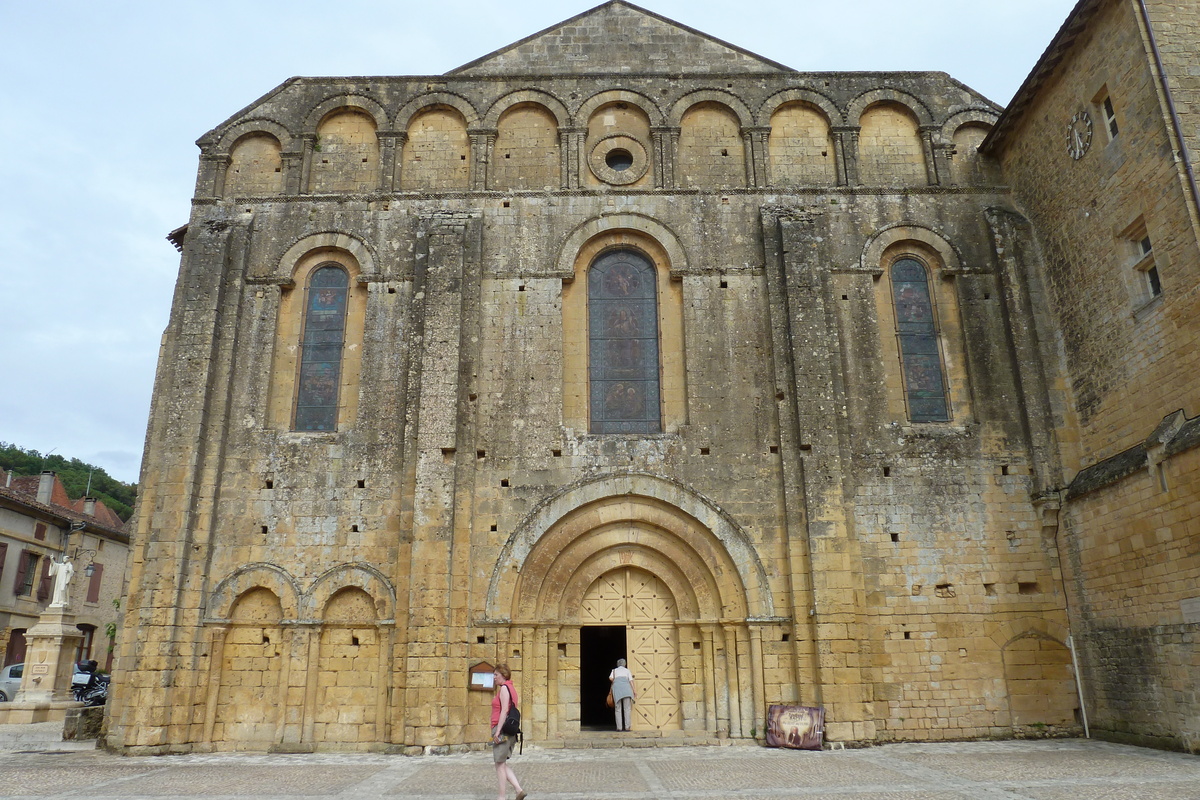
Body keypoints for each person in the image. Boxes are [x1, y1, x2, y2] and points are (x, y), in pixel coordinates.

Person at [490, 664, 526, 800]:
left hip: (502, 729)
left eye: (496, 675)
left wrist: (497, 731)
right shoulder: (511, 688)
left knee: (499, 764)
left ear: (503, 675)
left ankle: (501, 797)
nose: (494, 678)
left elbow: (504, 710)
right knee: (502, 763)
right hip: (508, 730)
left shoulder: (505, 689)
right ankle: (518, 790)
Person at [608, 658, 637, 731]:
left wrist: (616, 681)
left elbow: (610, 678)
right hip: (626, 690)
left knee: (618, 709)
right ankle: (627, 727)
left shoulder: (614, 671)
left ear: (618, 664)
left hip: (617, 690)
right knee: (627, 709)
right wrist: (634, 691)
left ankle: (619, 727)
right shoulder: (627, 671)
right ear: (625, 664)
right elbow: (631, 681)